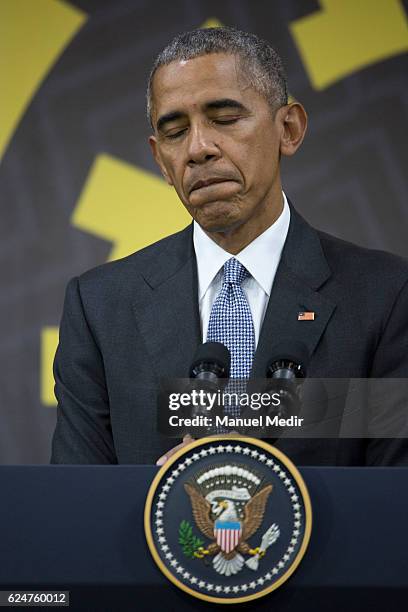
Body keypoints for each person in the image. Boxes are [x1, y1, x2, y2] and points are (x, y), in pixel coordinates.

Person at [51, 27, 408, 467]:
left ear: (289, 129)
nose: (199, 148)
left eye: (224, 118)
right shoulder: (101, 307)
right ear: (160, 159)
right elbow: (77, 503)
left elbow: (394, 501)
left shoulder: (386, 296)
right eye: (176, 131)